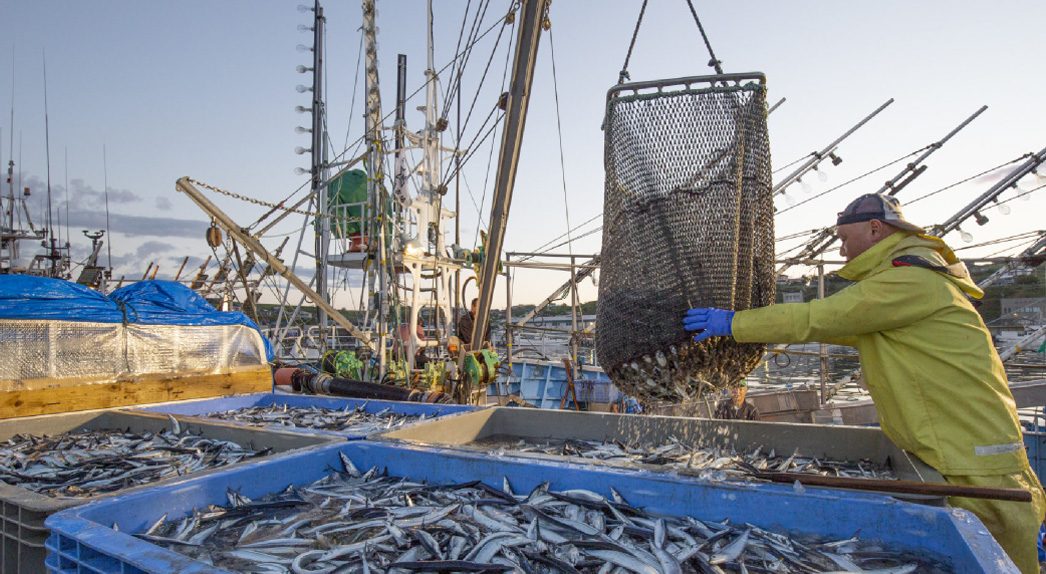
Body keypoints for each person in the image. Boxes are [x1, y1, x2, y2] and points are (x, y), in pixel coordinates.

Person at [683, 193, 1045, 573]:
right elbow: (840, 324)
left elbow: (818, 317)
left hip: (975, 464)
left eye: (843, 238)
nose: (840, 252)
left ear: (875, 229)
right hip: (959, 453)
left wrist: (734, 324)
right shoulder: (908, 281)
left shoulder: (908, 281)